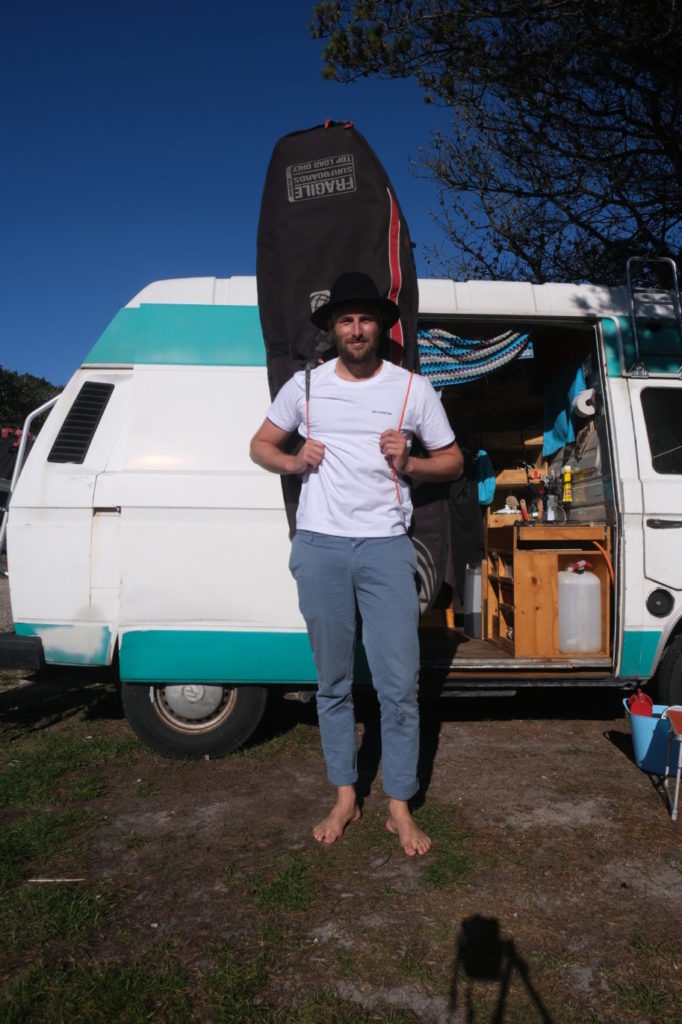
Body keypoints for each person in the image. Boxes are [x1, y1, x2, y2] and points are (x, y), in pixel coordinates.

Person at [250, 272, 463, 856]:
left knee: (399, 685)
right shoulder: (306, 388)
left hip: (386, 550)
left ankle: (398, 806)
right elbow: (260, 445)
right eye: (346, 320)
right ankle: (345, 796)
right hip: (319, 546)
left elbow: (453, 461)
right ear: (333, 329)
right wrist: (294, 461)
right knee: (334, 682)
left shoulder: (411, 389)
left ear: (380, 326)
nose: (357, 329)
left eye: (365, 319)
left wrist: (412, 463)